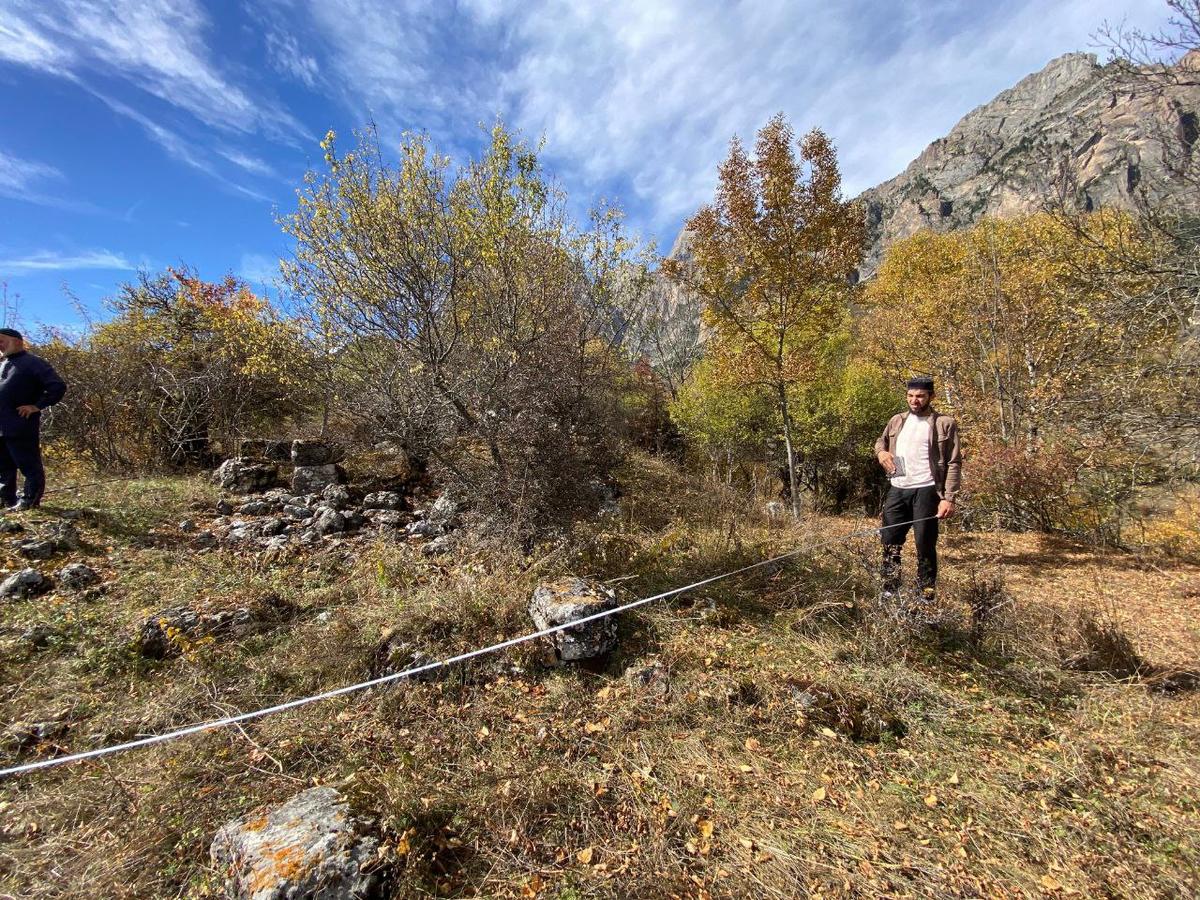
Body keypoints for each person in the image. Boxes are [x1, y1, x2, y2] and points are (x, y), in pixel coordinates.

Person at [873, 376, 961, 605]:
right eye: (911, 396)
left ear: (931, 396)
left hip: (926, 490)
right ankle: (890, 588)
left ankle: (926, 593)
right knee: (890, 540)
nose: (915, 400)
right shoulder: (897, 420)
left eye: (920, 396)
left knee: (924, 543)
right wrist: (882, 454)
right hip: (898, 487)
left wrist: (948, 498)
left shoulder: (944, 423)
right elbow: (880, 442)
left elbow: (953, 462)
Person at [0, 328, 67, 511]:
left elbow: (57, 386)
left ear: (18, 342)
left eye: (2, 340)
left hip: (21, 425)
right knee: (3, 468)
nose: (0, 344)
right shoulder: (2, 364)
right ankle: (5, 500)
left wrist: (37, 405)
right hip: (1, 427)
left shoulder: (33, 363)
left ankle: (29, 501)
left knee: (28, 466)